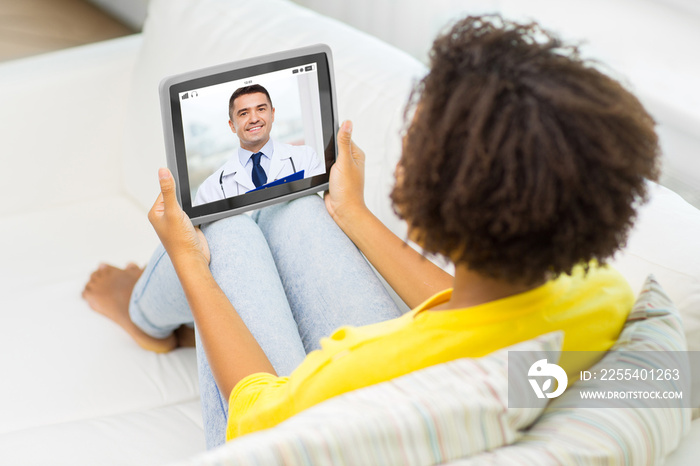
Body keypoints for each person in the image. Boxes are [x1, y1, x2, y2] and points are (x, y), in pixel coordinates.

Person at [82, 15, 659, 449]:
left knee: (225, 233)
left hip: (284, 431)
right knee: (299, 208)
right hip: (450, 351)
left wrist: (189, 264)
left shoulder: (362, 368)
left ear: (426, 200)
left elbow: (255, 416)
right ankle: (160, 308)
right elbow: (473, 307)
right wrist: (353, 212)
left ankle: (144, 314)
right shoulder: (602, 294)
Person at [193, 84, 325, 204]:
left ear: (272, 115)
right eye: (244, 113)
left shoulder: (306, 158)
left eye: (261, 109)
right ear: (232, 125)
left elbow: (321, 209)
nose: (254, 119)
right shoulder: (211, 189)